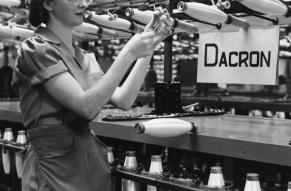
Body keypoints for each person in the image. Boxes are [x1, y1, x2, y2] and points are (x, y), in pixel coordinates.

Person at [11, 0, 173, 190]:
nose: (83, 4)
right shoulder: (36, 49)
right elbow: (86, 107)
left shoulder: (85, 57)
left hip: (88, 164)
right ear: (48, 4)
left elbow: (124, 99)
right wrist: (128, 53)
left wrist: (150, 43)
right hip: (52, 169)